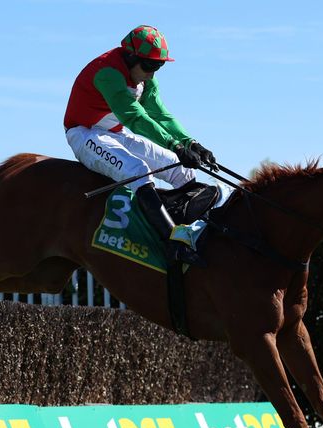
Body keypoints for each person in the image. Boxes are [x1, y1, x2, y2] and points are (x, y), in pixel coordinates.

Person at [64, 25, 215, 266]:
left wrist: (190, 143)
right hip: (85, 134)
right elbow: (134, 117)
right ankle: (171, 241)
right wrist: (175, 146)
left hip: (115, 133)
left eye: (159, 66)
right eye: (149, 66)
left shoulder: (144, 76)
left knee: (183, 169)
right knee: (139, 170)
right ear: (131, 56)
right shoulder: (108, 73)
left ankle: (195, 229)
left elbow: (161, 115)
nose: (153, 74)